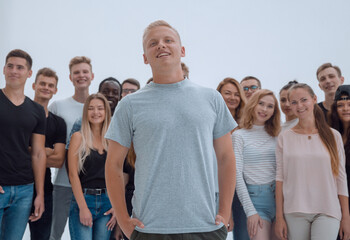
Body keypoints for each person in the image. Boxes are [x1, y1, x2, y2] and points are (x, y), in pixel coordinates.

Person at [105, 20, 236, 240]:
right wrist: (125, 220)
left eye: (168, 40)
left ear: (182, 50)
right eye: (153, 43)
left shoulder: (211, 98)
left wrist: (224, 211)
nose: (161, 45)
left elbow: (226, 158)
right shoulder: (129, 105)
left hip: (205, 226)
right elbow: (113, 165)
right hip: (150, 228)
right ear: (145, 57)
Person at [275, 83, 349, 240]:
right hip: (294, 211)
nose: (299, 106)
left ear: (314, 99)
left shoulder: (333, 135)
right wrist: (279, 217)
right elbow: (280, 179)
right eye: (294, 102)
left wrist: (346, 217)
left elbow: (341, 179)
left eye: (304, 100)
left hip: (328, 210)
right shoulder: (285, 137)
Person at [0, 49, 46, 240]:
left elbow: (38, 153)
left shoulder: (36, 110)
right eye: (10, 66)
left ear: (29, 73)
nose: (14, 71)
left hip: (25, 189)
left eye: (20, 67)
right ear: (3, 69)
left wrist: (40, 193)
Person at [49, 56, 94, 240]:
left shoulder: (98, 107)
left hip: (90, 186)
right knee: (54, 234)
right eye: (76, 72)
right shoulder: (58, 106)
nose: (81, 75)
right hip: (63, 183)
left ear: (92, 75)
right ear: (70, 77)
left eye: (85, 72)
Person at [233, 89, 281, 240]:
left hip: (280, 199)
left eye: (270, 106)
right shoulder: (239, 136)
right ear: (253, 105)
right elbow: (237, 176)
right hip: (256, 201)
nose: (264, 109)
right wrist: (250, 211)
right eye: (261, 104)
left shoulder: (278, 135)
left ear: (274, 111)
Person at [68, 93, 115, 239]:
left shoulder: (112, 139)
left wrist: (116, 207)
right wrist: (82, 207)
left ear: (106, 112)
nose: (96, 112)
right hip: (84, 199)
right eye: (91, 108)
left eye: (100, 108)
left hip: (108, 202)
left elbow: (118, 174)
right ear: (85, 112)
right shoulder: (78, 137)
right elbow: (73, 175)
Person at [29, 68, 67, 240]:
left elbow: (59, 160)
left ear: (55, 90)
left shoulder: (58, 123)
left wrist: (32, 152)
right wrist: (47, 150)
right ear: (34, 85)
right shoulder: (20, 114)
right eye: (42, 83)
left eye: (50, 85)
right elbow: (12, 150)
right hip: (15, 183)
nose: (46, 87)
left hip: (45, 190)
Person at [216, 77, 247, 239]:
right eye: (227, 93)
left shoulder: (246, 124)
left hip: (243, 187)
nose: (232, 98)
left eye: (236, 94)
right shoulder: (211, 122)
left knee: (243, 234)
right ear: (218, 95)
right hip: (218, 184)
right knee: (218, 230)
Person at [329, 85, 350, 240]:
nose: (345, 109)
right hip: (336, 200)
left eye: (349, 104)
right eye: (340, 105)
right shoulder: (331, 135)